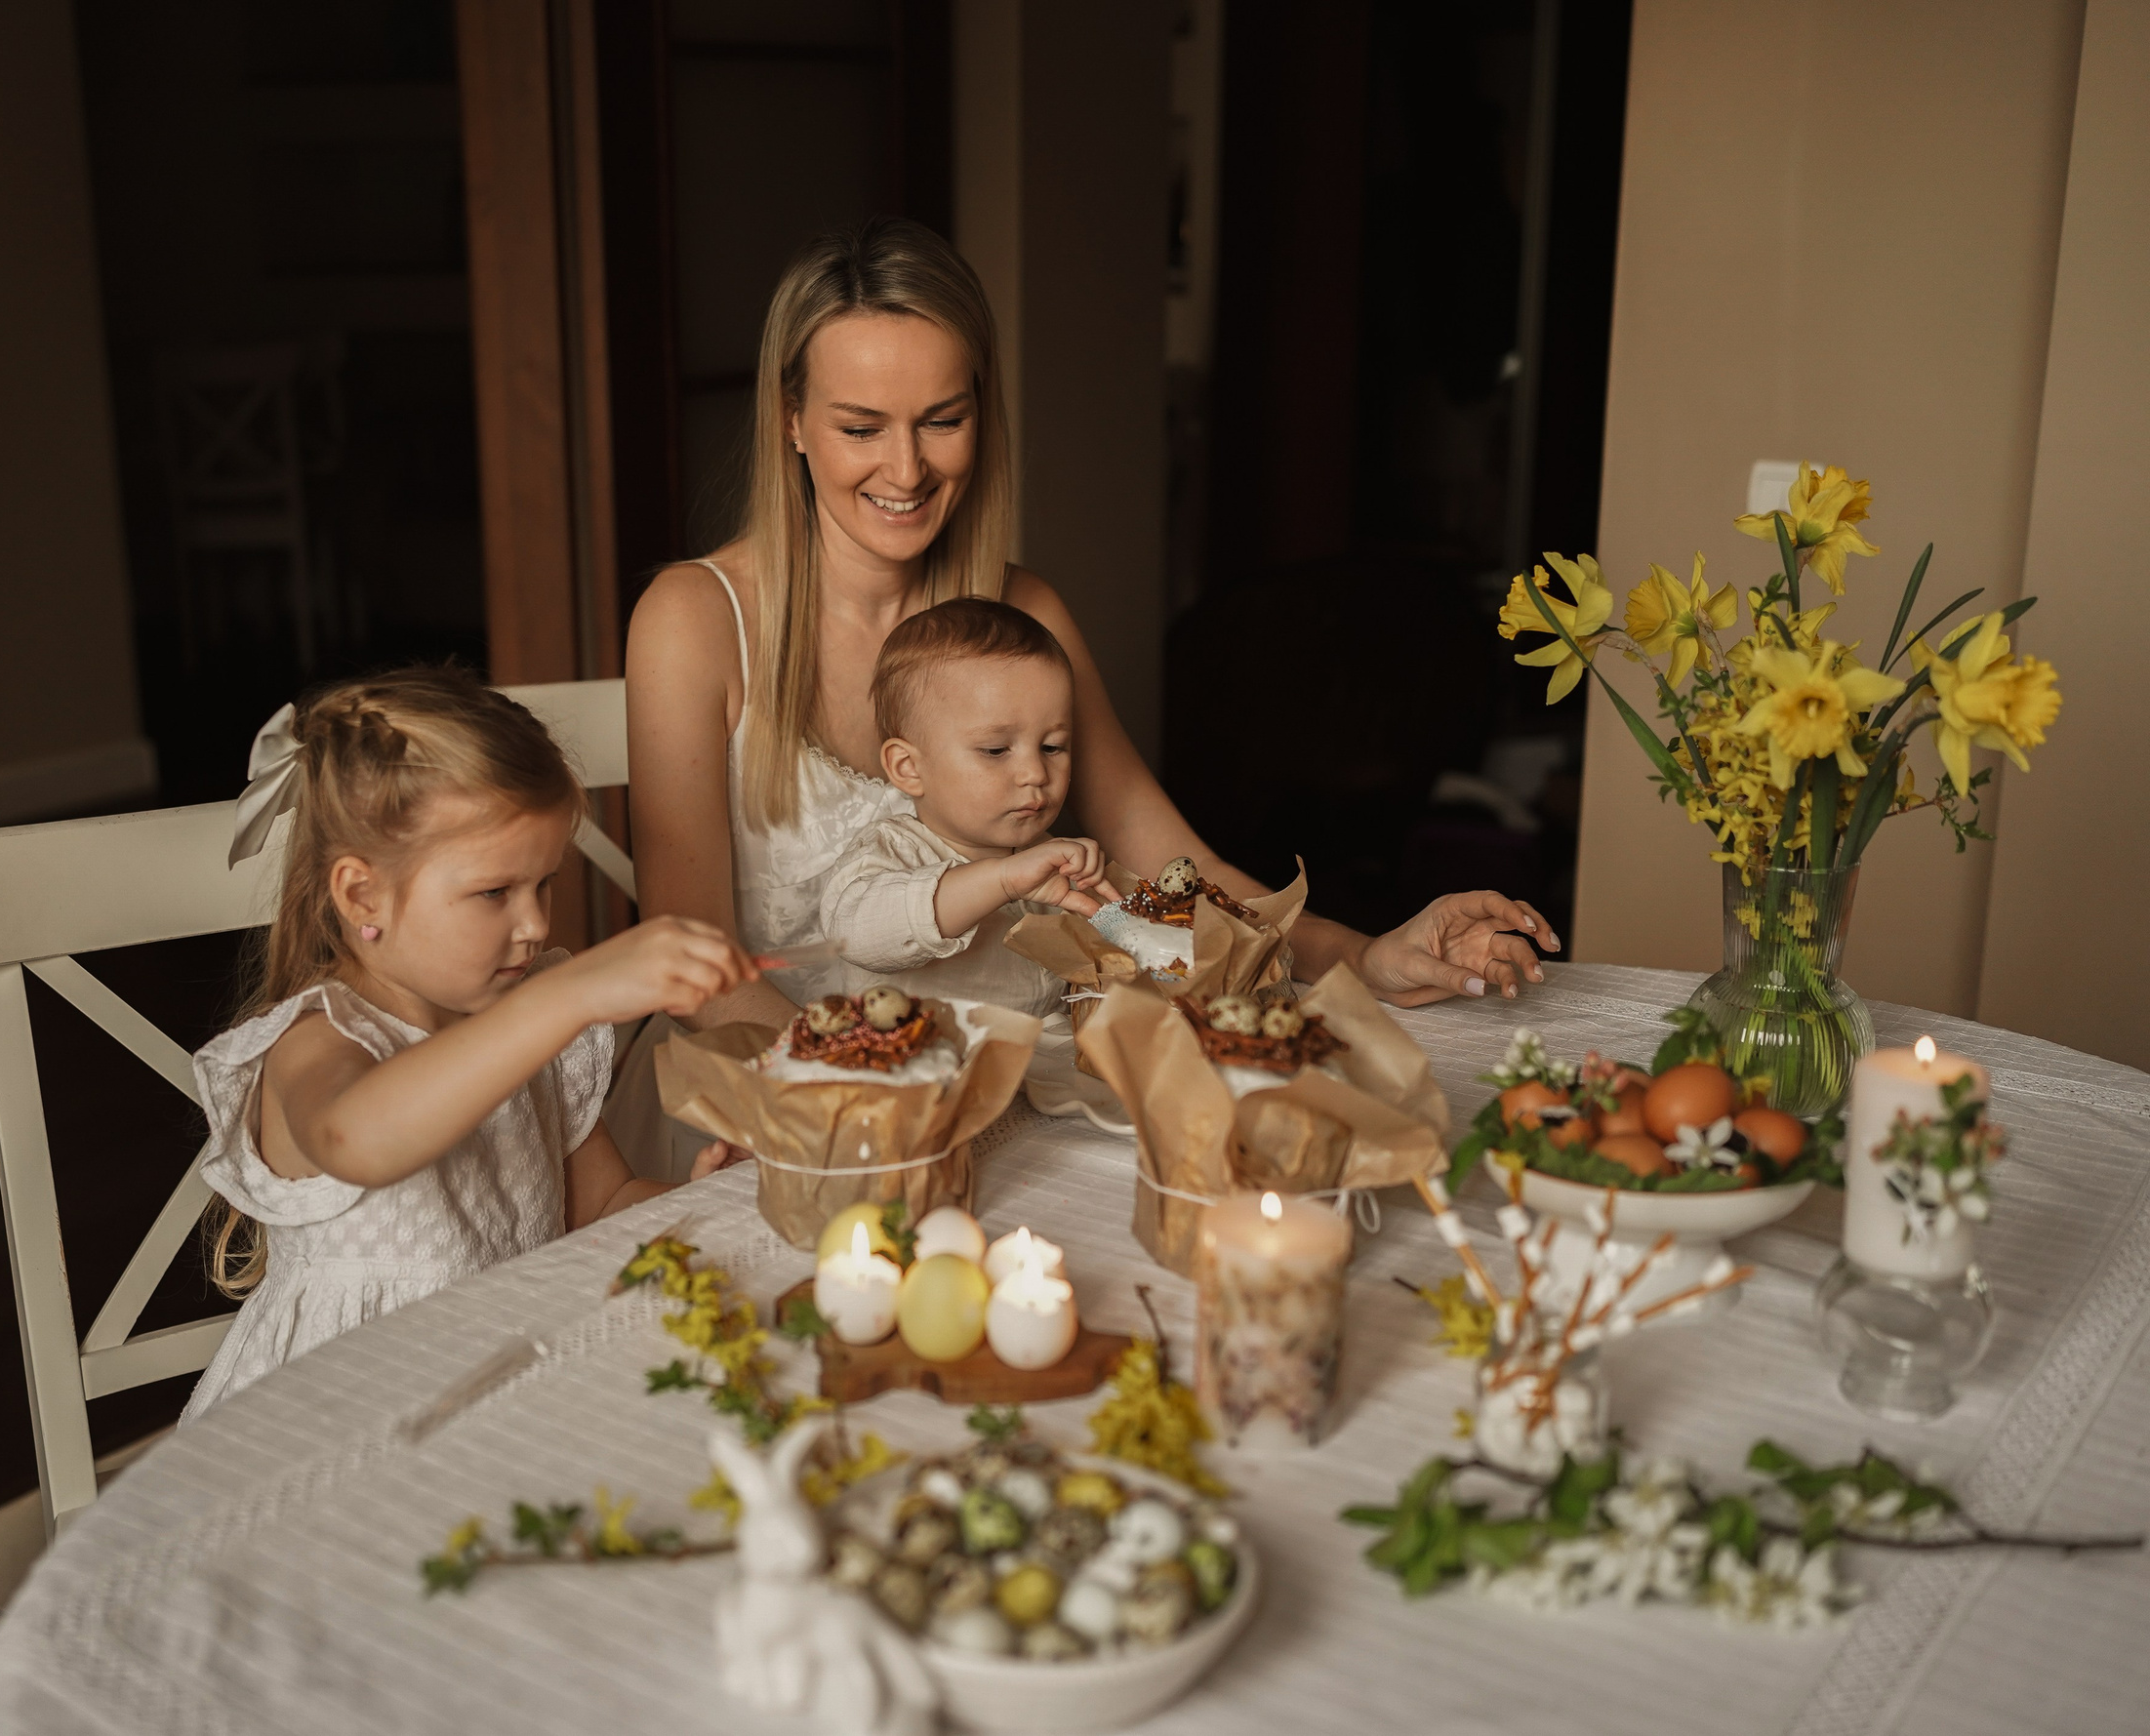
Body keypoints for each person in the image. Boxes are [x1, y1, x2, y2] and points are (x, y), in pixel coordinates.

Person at [613, 217, 1559, 1179]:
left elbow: (1171, 870)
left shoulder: (1024, 611)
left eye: (942, 420)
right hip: (773, 1102)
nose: (906, 471)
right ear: (790, 418)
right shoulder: (693, 620)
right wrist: (879, 1093)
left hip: (1005, 1101)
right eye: (861, 427)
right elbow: (693, 969)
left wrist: (1366, 954)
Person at [183, 667, 755, 1419]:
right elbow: (359, 1137)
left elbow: (600, 1201)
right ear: (363, 896)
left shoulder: (525, 1019)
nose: (537, 925)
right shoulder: (316, 1042)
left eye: (544, 884)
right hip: (339, 1419)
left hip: (505, 1377)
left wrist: (699, 1203)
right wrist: (566, 996)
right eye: (494, 893)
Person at [818, 596, 1110, 1017]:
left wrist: (1120, 923)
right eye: (995, 750)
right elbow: (857, 937)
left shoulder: (1054, 859)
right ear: (909, 768)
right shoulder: (891, 852)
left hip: (1040, 1071)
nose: (1035, 772)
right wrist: (1002, 881)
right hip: (922, 1071)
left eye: (1052, 747)